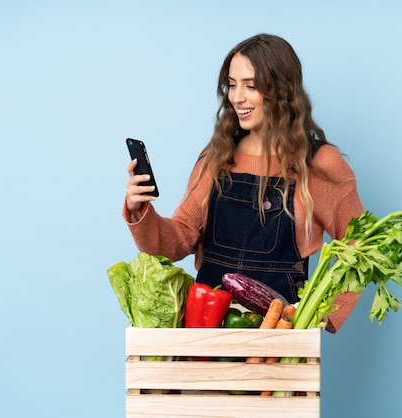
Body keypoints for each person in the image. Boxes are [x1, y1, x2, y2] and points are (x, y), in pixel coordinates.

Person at [123, 34, 364, 333]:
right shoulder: (217, 158)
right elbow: (179, 238)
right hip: (207, 333)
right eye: (232, 84)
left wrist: (320, 316)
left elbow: (359, 246)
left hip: (279, 338)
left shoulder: (318, 163)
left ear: (284, 89)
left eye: (250, 86)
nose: (237, 97)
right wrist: (140, 211)